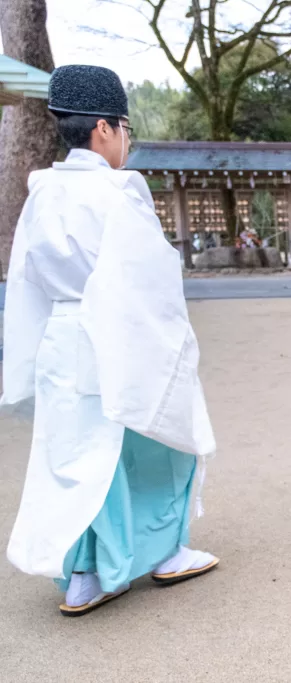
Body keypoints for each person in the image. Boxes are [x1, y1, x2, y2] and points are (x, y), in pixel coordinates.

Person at [1, 65, 219, 617]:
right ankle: (164, 552)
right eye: (125, 128)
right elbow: (147, 279)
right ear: (104, 127)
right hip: (115, 332)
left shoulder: (42, 193)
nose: (126, 141)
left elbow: (24, 282)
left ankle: (85, 575)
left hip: (61, 337)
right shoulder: (119, 190)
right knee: (156, 441)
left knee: (76, 456)